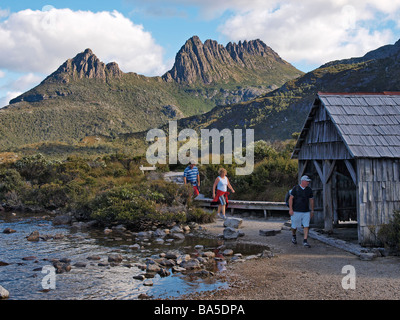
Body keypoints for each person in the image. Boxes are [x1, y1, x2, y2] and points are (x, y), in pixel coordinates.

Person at [288, 175, 314, 248]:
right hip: (296, 211)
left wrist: (312, 210)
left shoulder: (309, 190)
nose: (308, 183)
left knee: (306, 225)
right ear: (303, 181)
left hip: (306, 211)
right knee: (294, 226)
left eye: (308, 182)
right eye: (307, 181)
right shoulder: (295, 189)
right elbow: (291, 198)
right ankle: (293, 235)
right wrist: (291, 209)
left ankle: (305, 241)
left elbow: (311, 200)